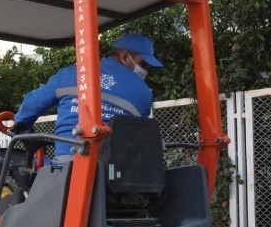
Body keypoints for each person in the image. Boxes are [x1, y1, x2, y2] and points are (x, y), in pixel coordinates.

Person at [13, 33, 163, 160]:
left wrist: (21, 125)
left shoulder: (71, 73)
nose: (145, 70)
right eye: (143, 64)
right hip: (118, 173)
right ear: (124, 56)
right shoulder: (144, 91)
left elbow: (33, 103)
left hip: (68, 165)